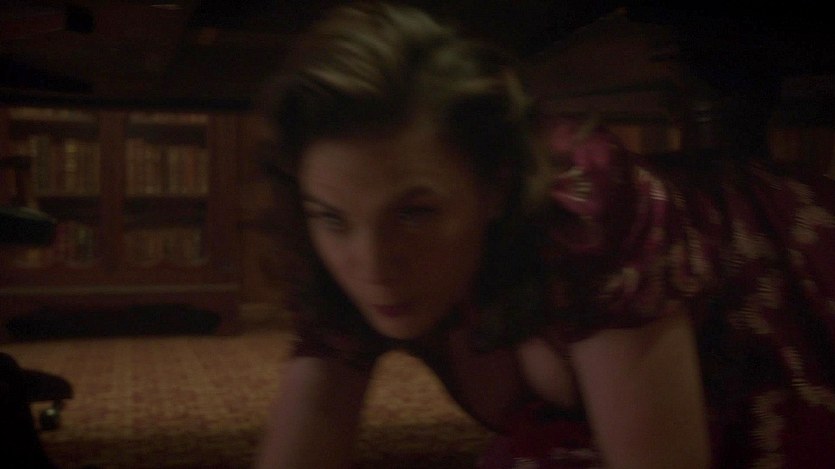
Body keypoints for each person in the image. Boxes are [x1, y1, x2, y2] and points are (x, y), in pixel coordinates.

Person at [253, 2, 835, 468]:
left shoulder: (585, 212)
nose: (373, 264)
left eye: (415, 214)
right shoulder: (337, 251)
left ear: (496, 186)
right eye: (333, 219)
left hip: (798, 287)